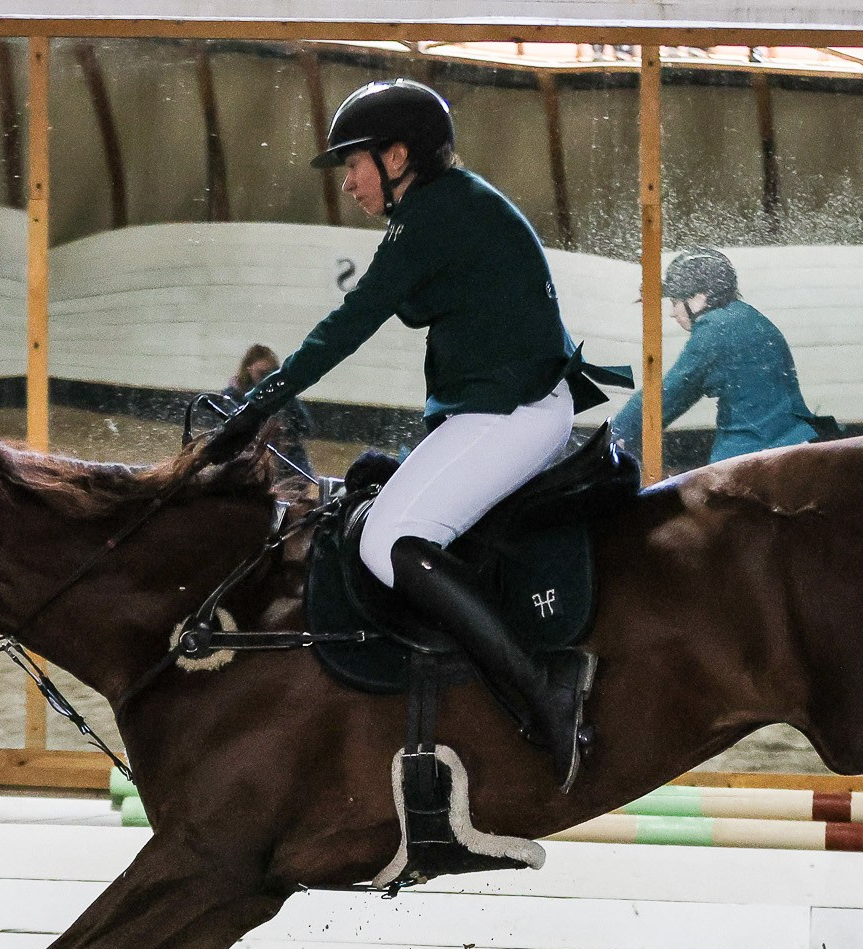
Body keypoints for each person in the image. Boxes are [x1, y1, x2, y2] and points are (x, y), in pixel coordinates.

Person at [201, 81, 626, 792]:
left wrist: (254, 408)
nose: (348, 181)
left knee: (387, 540)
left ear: (397, 156)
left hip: (514, 410)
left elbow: (348, 326)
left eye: (354, 163)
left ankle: (546, 693)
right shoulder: (440, 206)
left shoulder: (435, 214)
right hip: (494, 406)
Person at [613, 248, 830, 466]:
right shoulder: (748, 317)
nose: (672, 312)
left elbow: (670, 395)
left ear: (700, 297)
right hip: (795, 443)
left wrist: (612, 436)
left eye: (675, 301)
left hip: (753, 457)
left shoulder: (717, 329)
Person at [224, 345, 313, 475]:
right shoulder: (232, 396)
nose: (266, 378)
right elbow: (230, 431)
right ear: (248, 369)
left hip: (286, 462)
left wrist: (286, 433)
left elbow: (307, 427)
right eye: (262, 373)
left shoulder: (284, 394)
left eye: (271, 373)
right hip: (250, 463)